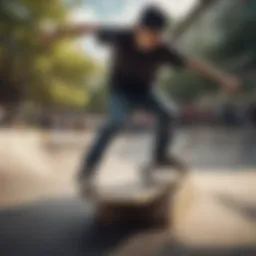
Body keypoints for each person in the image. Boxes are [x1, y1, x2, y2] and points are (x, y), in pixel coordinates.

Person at [43, 6, 239, 194]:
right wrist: (56, 32)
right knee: (116, 121)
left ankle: (159, 158)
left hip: (146, 90)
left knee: (169, 113)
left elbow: (193, 63)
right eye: (148, 35)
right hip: (119, 90)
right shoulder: (121, 35)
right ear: (137, 27)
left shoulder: (163, 48)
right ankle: (88, 169)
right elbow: (88, 27)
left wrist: (222, 78)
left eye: (156, 37)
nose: (152, 42)